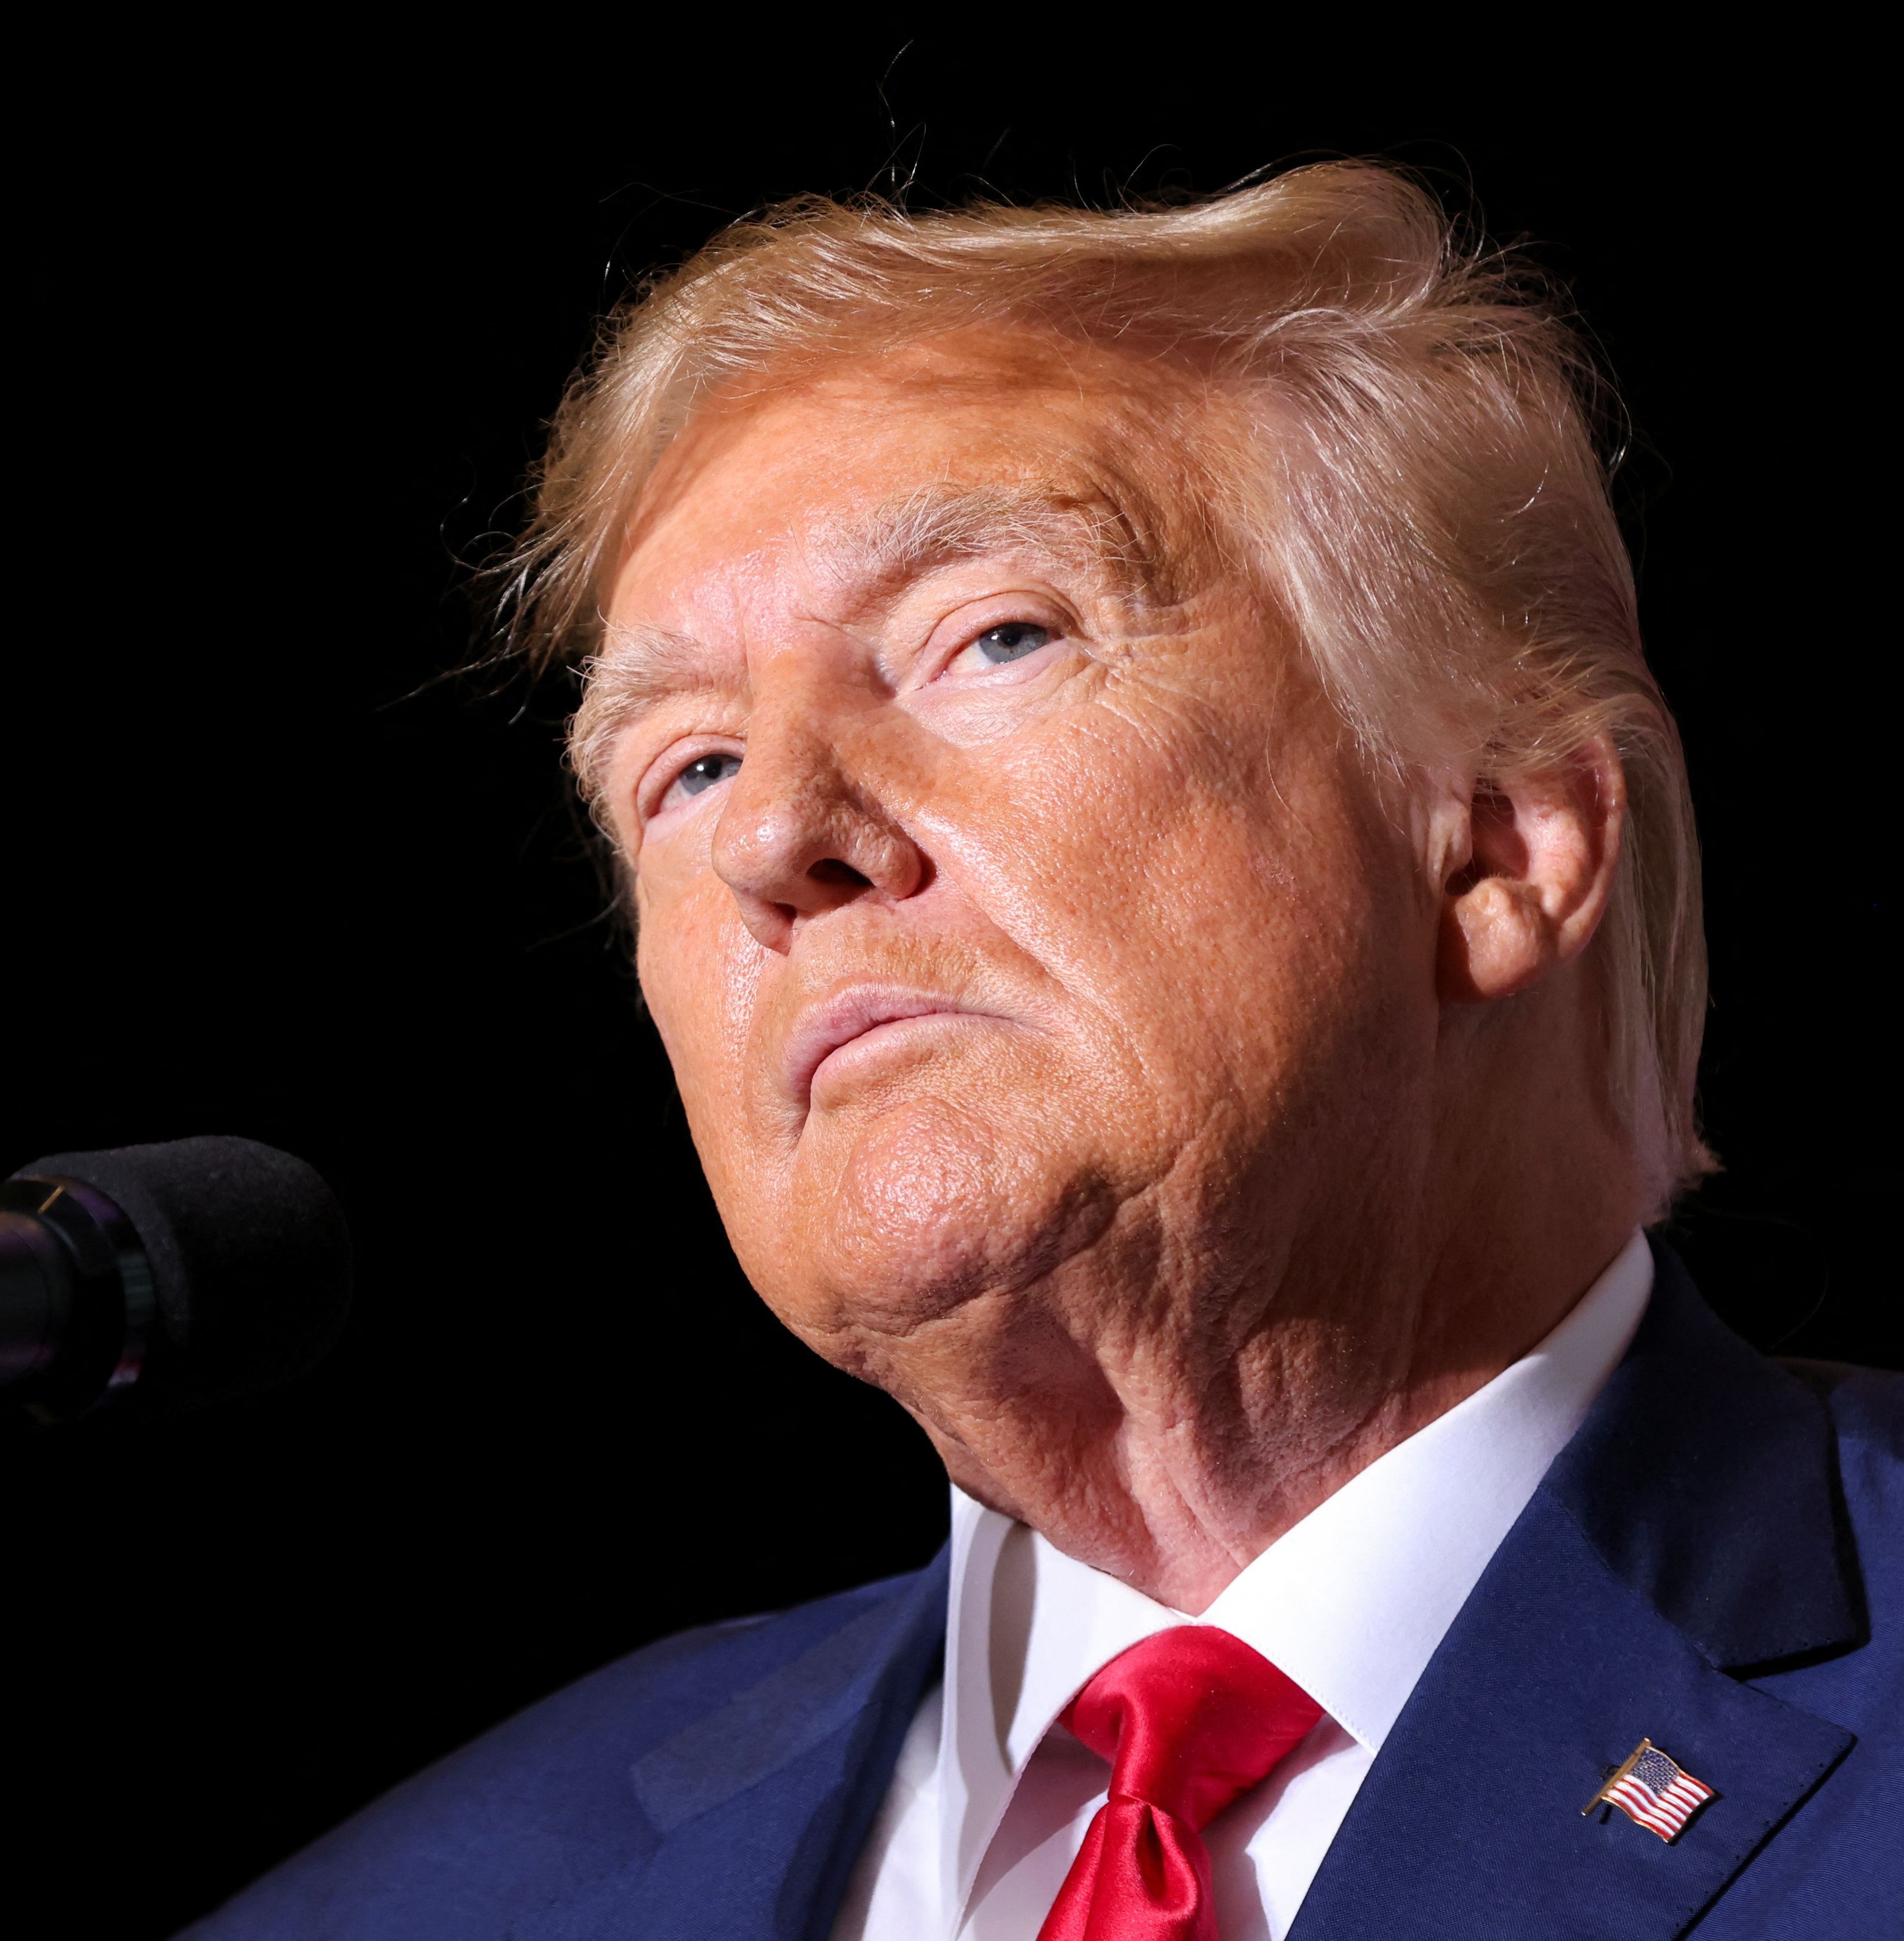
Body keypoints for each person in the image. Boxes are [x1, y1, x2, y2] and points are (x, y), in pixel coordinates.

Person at [188, 163, 1901, 1939]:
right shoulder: (412, 1906)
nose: (775, 835)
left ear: (1496, 845)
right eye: (685, 765)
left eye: (990, 637)